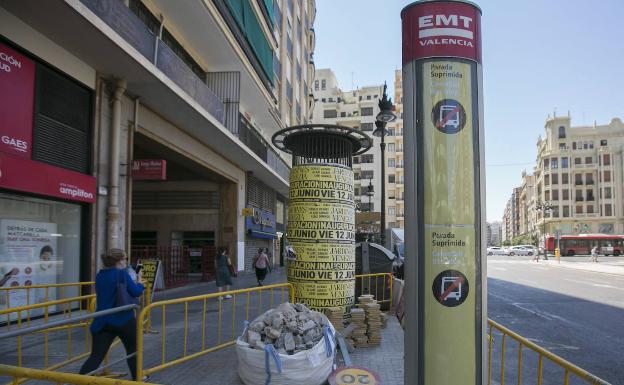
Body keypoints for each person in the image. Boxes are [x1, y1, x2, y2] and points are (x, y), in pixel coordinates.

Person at [79, 249, 145, 381]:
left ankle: (79, 381)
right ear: (120, 261)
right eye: (125, 259)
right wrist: (140, 284)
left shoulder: (100, 275)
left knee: (96, 355)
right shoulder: (122, 274)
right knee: (133, 351)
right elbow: (135, 292)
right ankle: (138, 378)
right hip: (123, 319)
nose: (126, 261)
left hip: (102, 320)